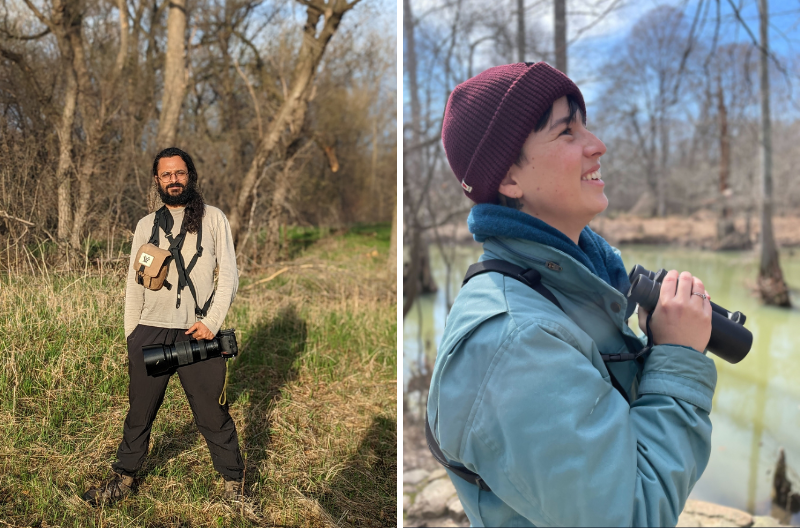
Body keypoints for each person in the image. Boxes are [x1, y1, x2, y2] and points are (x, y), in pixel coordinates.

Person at [426, 62, 716, 527]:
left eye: (586, 125)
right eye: (566, 132)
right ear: (508, 179)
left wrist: (659, 345)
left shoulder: (570, 288)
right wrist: (678, 358)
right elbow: (632, 515)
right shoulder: (514, 340)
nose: (597, 145)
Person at [83, 147, 244, 505]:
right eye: (166, 174)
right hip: (149, 330)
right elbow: (132, 284)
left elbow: (229, 277)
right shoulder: (145, 224)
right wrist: (132, 335)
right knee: (138, 414)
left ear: (191, 175)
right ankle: (122, 481)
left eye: (180, 173)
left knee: (212, 415)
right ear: (157, 180)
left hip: (198, 332)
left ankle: (235, 487)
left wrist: (211, 323)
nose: (174, 180)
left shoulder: (214, 219)